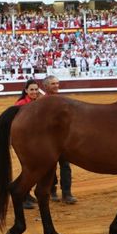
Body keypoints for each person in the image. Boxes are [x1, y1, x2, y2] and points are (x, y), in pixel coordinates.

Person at [43, 75, 77, 204]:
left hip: (63, 141)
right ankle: (52, 191)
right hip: (49, 142)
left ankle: (67, 193)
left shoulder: (62, 100)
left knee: (65, 166)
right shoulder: (42, 103)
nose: (56, 86)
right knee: (50, 167)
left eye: (57, 83)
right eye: (53, 84)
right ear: (46, 87)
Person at [14, 79, 42, 209]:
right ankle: (23, 195)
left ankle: (27, 194)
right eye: (32, 90)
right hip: (26, 142)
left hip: (37, 141)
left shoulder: (38, 103)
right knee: (31, 169)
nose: (34, 92)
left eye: (36, 89)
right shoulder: (20, 104)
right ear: (26, 91)